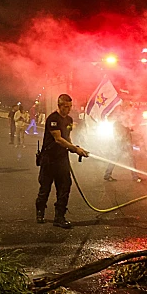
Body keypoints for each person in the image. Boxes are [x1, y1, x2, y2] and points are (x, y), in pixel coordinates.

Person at [36, 94, 89, 228]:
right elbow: (58, 139)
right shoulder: (52, 119)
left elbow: (67, 137)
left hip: (62, 159)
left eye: (70, 106)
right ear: (59, 106)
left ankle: (59, 217)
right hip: (49, 159)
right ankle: (40, 211)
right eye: (66, 106)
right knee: (45, 188)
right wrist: (75, 149)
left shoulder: (69, 120)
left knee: (65, 187)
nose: (69, 109)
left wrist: (74, 148)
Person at [103, 111, 141, 182]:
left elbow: (127, 129)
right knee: (130, 158)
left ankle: (107, 175)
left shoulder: (119, 124)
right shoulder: (119, 125)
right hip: (123, 143)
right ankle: (135, 177)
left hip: (122, 143)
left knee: (116, 158)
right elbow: (123, 135)